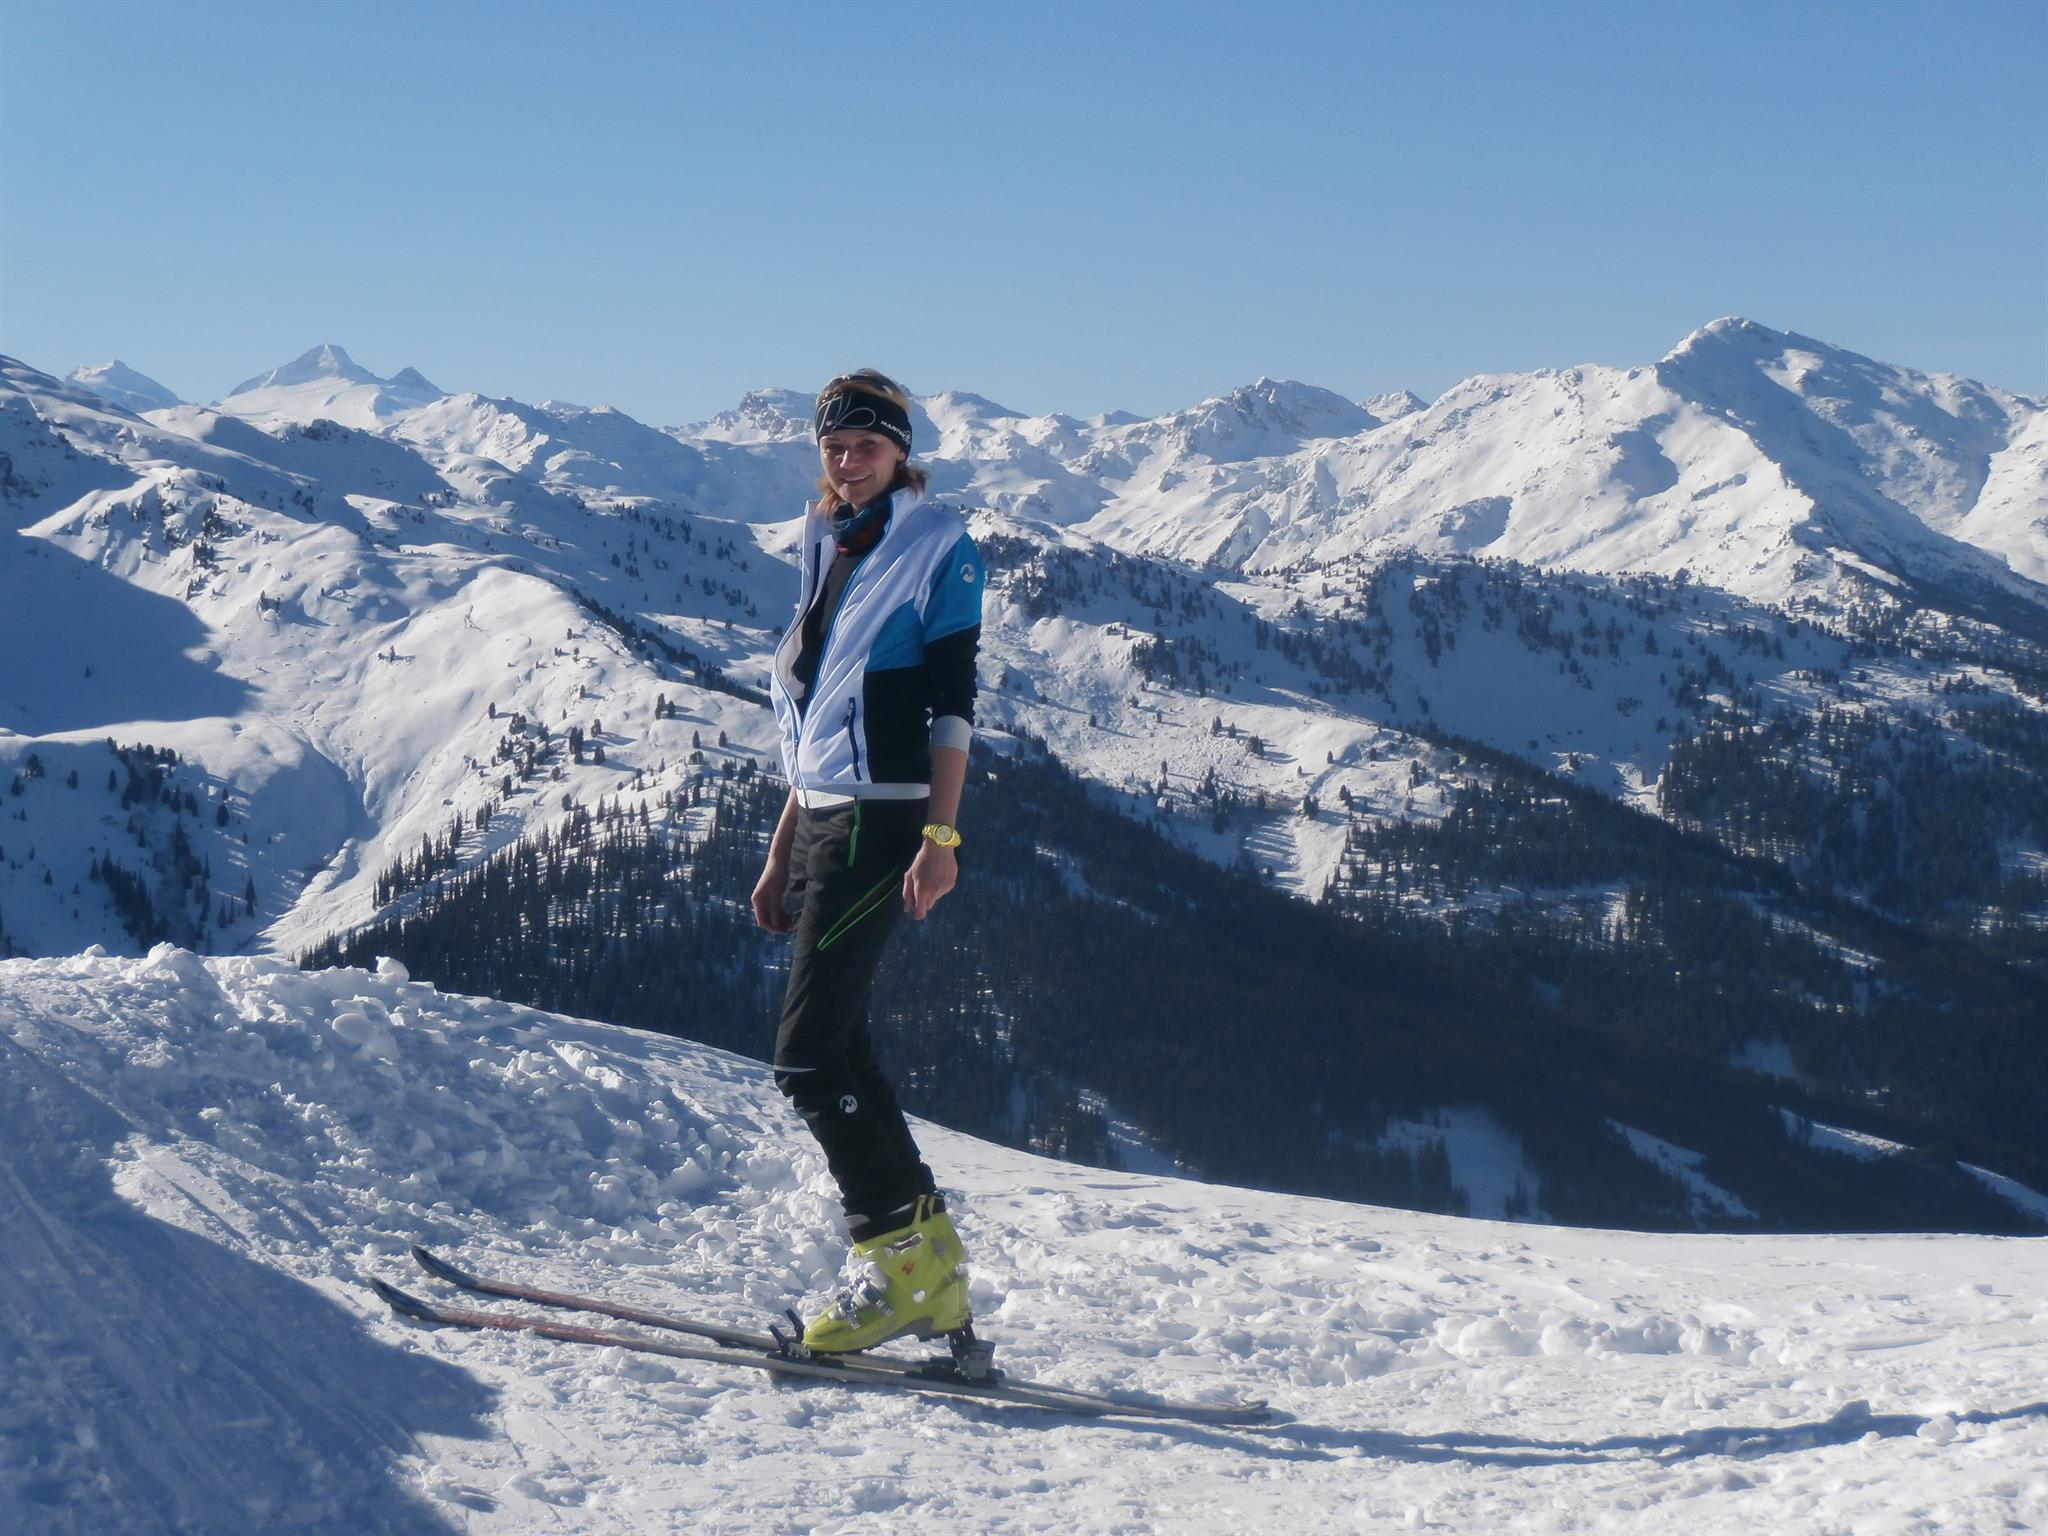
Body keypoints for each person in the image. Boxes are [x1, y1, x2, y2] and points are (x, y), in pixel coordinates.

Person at [753, 368, 985, 1353]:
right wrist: (780, 853)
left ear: (901, 453)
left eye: (867, 446)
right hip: (823, 820)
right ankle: (927, 1271)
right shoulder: (830, 544)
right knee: (838, 1049)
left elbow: (953, 708)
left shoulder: (936, 547)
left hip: (883, 822)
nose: (849, 462)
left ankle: (897, 1273)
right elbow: (814, 724)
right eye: (834, 447)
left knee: (808, 1058)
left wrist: (941, 838)